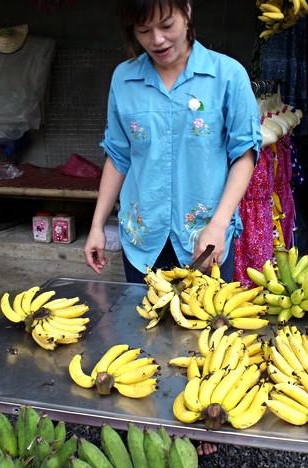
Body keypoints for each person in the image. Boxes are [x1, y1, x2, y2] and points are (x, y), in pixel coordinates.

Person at [84, 0, 262, 286]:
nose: (157, 40)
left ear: (187, 12)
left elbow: (244, 154)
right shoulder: (124, 79)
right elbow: (118, 156)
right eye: (143, 30)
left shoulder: (228, 75)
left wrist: (218, 225)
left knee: (208, 326)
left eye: (167, 26)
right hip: (143, 241)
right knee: (142, 326)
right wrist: (97, 226)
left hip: (205, 238)